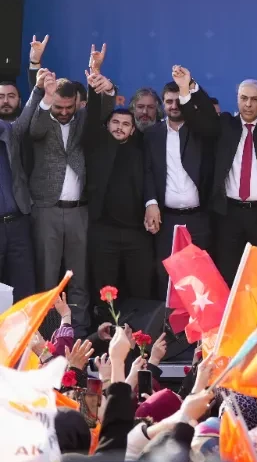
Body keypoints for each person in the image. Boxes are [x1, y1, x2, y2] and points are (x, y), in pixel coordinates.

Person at [173, 65, 257, 284]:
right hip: (228, 214)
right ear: (237, 99)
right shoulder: (225, 124)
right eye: (243, 98)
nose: (248, 104)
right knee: (227, 273)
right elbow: (200, 116)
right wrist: (188, 87)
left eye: (254, 99)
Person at [29, 42, 115, 334]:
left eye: (69, 107)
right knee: (48, 276)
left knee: (79, 276)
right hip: (47, 210)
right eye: (59, 107)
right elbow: (33, 127)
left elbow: (103, 109)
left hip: (79, 211)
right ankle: (49, 335)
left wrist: (98, 75)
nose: (64, 112)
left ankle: (78, 332)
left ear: (78, 103)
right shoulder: (41, 120)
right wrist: (41, 84)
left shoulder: (82, 121)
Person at [82, 69, 154, 302]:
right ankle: (105, 326)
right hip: (103, 232)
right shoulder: (96, 146)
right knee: (105, 294)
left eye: (125, 124)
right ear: (107, 125)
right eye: (115, 122)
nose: (119, 127)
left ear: (133, 130)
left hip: (137, 234)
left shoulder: (142, 147)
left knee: (141, 291)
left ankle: (141, 327)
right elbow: (93, 115)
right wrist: (97, 88)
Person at [143, 80, 215, 298]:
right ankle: (167, 320)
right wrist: (151, 202)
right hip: (166, 220)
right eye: (169, 102)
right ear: (162, 104)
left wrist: (190, 87)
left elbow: (210, 118)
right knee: (166, 278)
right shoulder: (152, 134)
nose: (174, 106)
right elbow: (146, 171)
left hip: (200, 218)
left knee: (201, 279)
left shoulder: (200, 131)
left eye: (178, 101)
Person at [0, 63, 45, 301]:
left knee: (24, 289)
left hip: (17, 223)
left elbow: (25, 119)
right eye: (0, 97)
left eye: (10, 96)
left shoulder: (9, 132)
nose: (5, 101)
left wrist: (37, 89)